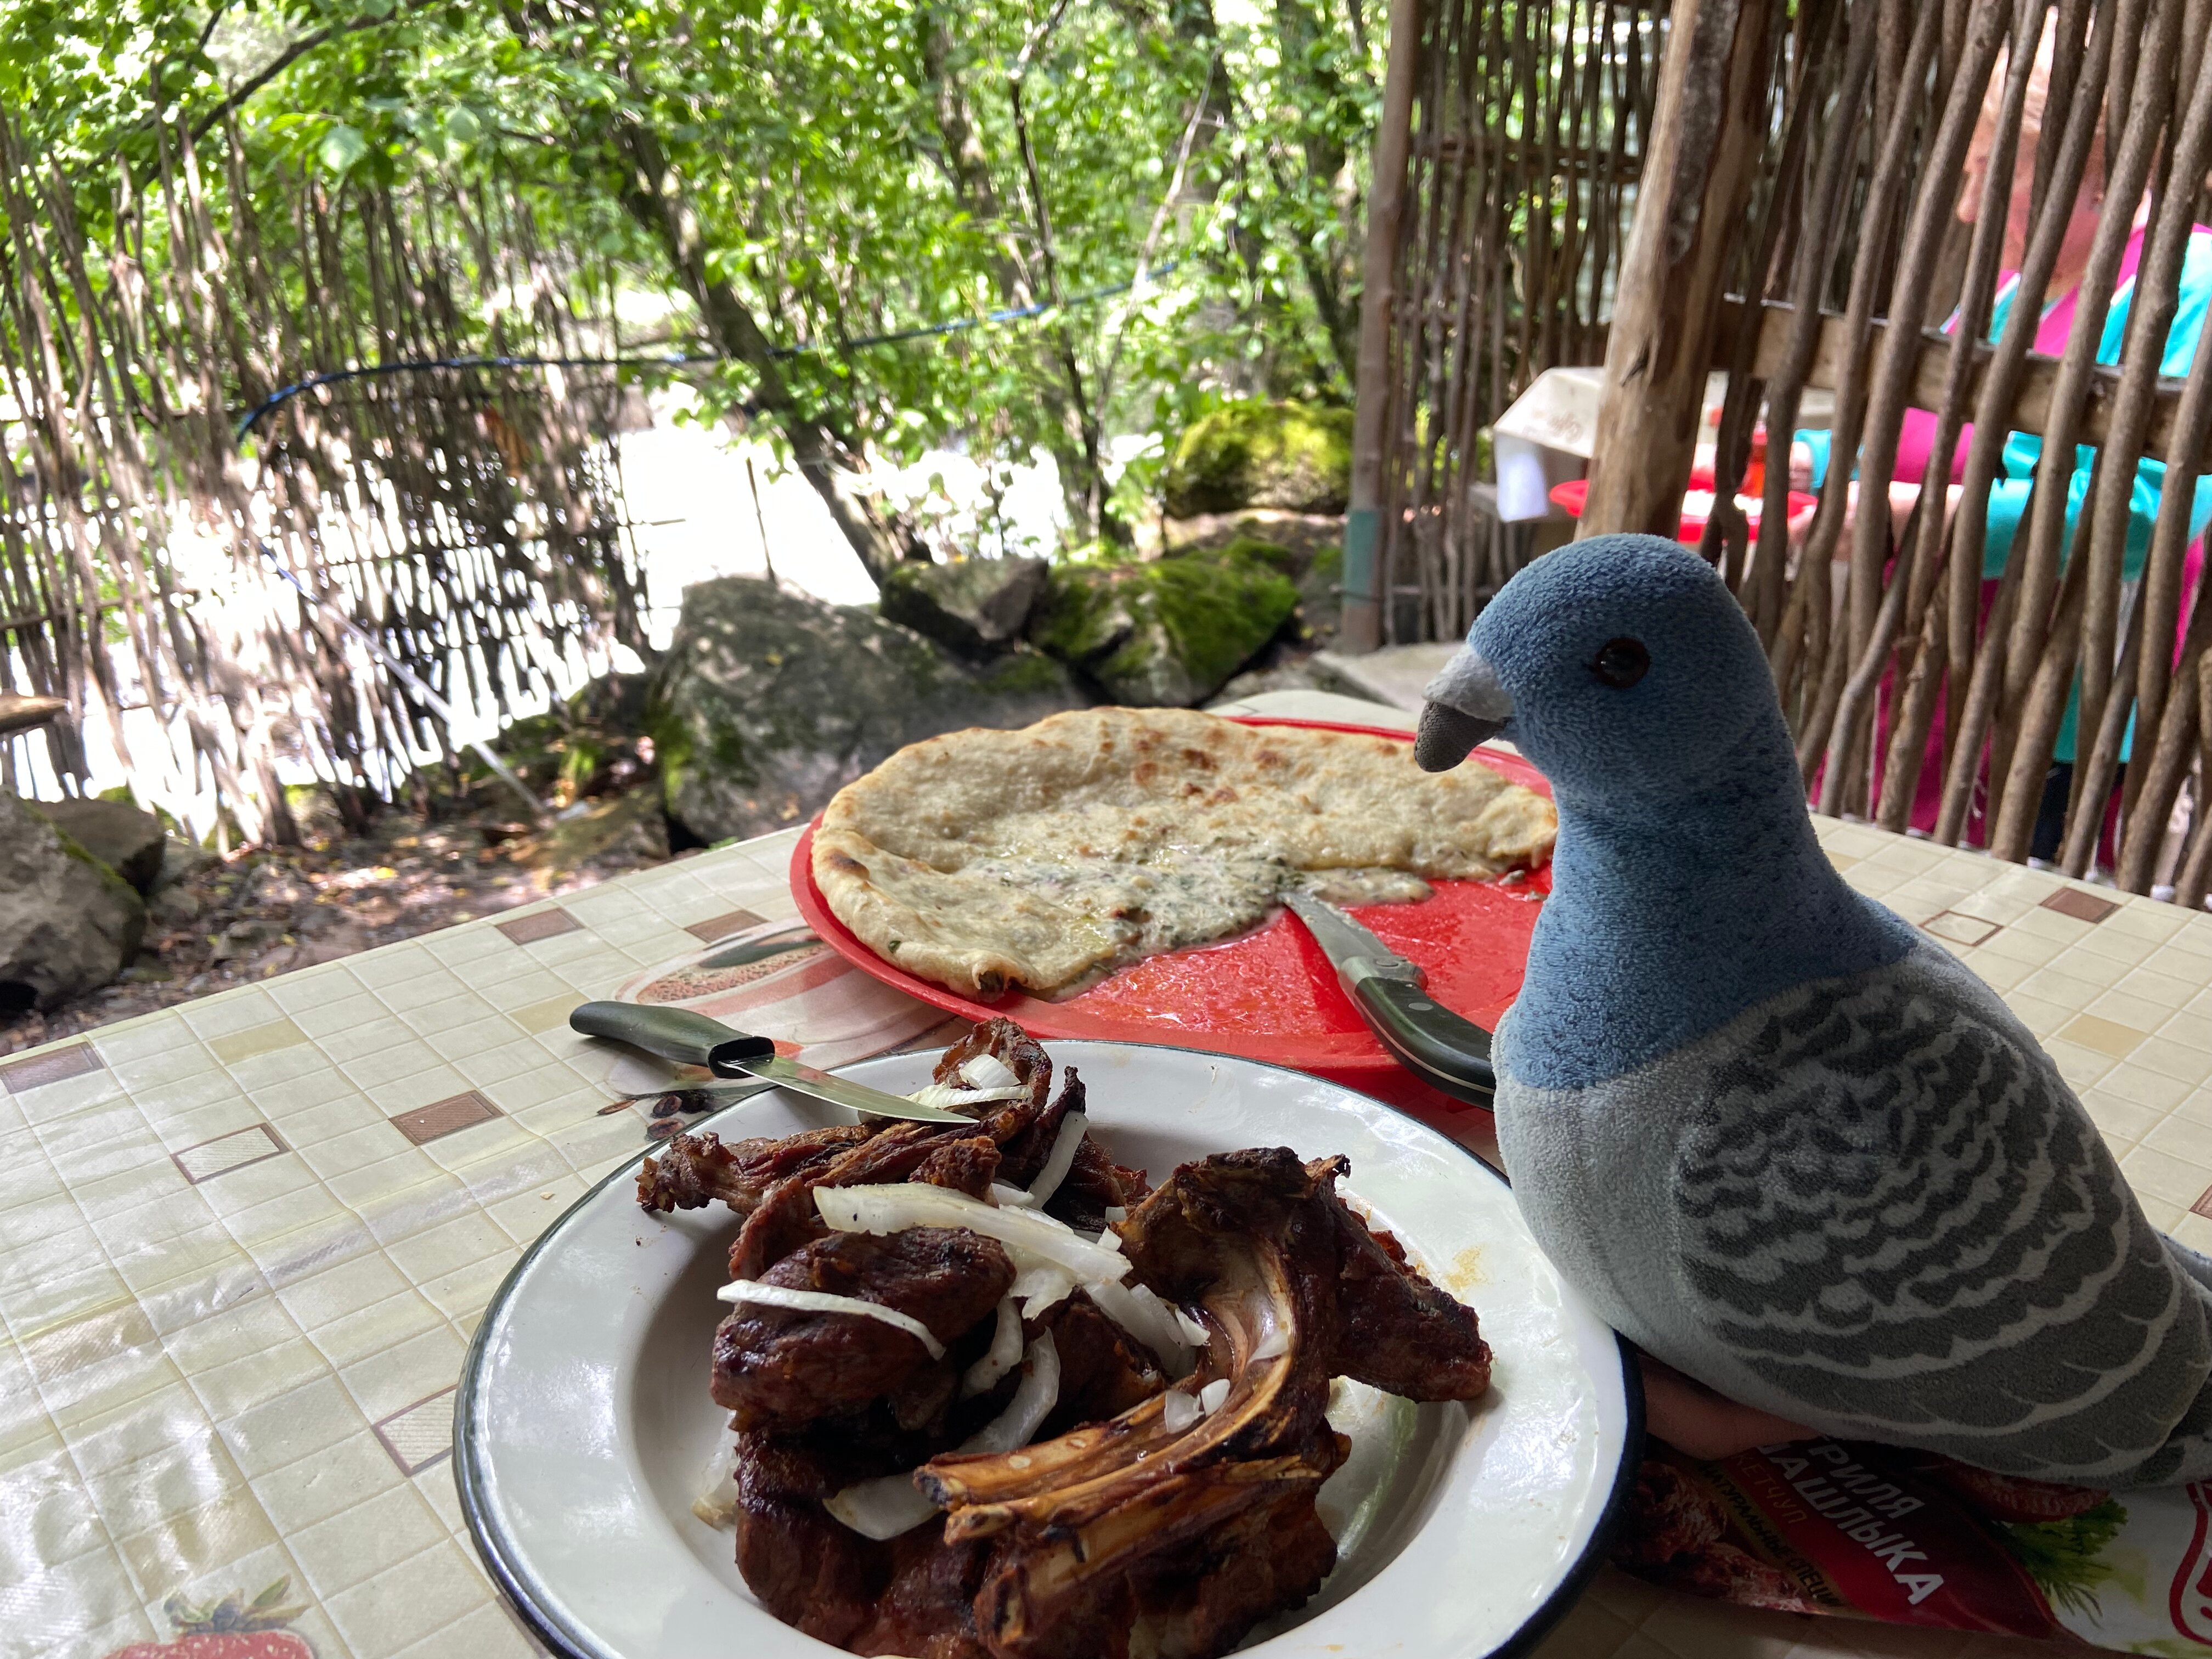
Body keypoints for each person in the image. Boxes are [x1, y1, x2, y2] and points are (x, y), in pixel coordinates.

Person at [1790, 22, 2212, 861]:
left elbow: (2145, 514)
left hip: (2059, 711)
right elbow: (1922, 441)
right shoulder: (2015, 292)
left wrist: (1909, 522)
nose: (1967, 207)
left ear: (2083, 171)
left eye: (1990, 171)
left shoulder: (2191, 287)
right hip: (1933, 672)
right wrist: (1803, 463)